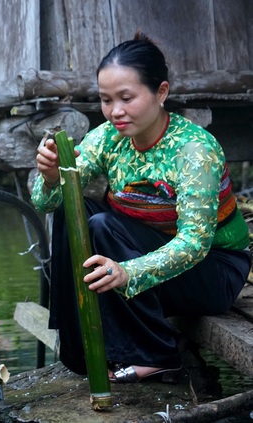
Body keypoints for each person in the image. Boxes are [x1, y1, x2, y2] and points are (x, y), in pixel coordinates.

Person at [31, 31, 251, 383]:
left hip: (214, 270)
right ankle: (80, 349)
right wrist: (52, 177)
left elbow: (195, 243)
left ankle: (156, 355)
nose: (115, 111)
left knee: (104, 225)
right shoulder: (108, 138)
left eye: (126, 98)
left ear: (161, 93)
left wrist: (130, 272)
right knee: (72, 210)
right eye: (105, 100)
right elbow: (48, 202)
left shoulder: (194, 150)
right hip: (141, 252)